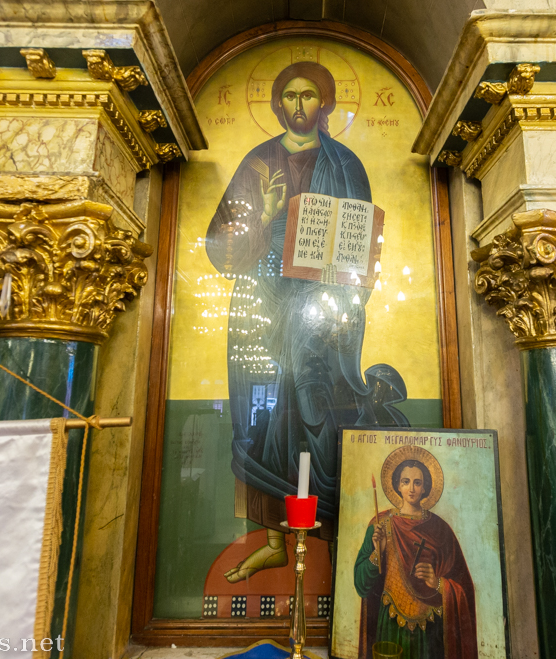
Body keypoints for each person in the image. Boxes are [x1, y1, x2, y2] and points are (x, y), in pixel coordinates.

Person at [205, 61, 409, 582]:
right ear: (277, 104)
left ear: (326, 104)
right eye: (289, 96)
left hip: (320, 302)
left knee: (313, 404)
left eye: (309, 96)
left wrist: (342, 286)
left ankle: (333, 533)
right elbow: (219, 247)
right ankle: (274, 540)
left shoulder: (346, 165)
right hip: (262, 295)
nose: (299, 106)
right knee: (261, 410)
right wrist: (266, 216)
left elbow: (362, 243)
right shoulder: (258, 162)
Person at [354, 457, 476, 659]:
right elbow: (361, 584)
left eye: (417, 482)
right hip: (391, 624)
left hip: (430, 629)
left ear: (425, 488)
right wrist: (377, 554)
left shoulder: (441, 530)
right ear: (397, 485)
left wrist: (437, 583)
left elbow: (464, 587)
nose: (411, 488)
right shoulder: (380, 525)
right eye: (405, 481)